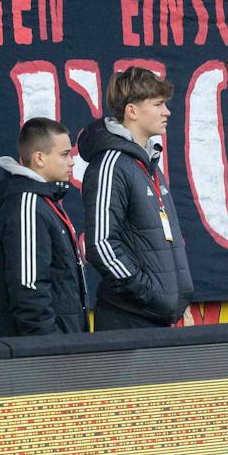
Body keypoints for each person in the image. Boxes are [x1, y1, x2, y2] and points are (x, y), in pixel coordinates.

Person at [80, 67, 194, 331]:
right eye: (158, 104)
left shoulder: (148, 163)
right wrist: (149, 294)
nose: (167, 112)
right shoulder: (110, 164)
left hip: (158, 318)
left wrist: (177, 300)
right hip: (128, 320)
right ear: (132, 111)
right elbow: (101, 245)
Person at [0, 117, 88, 336]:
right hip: (45, 351)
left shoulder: (44, 203)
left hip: (65, 346)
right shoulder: (27, 206)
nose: (72, 162)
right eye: (65, 154)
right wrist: (51, 345)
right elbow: (29, 290)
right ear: (40, 158)